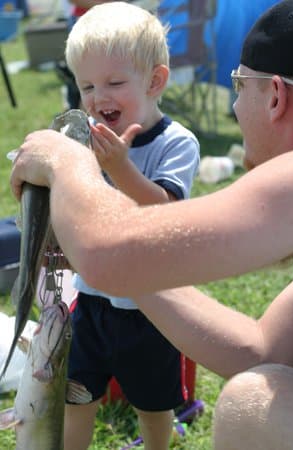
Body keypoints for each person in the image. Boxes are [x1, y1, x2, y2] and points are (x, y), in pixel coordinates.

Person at [10, 0, 293, 448]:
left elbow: (111, 252)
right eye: (86, 85)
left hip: (138, 327)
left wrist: (66, 165)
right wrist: (121, 261)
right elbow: (265, 350)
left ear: (276, 95)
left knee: (252, 407)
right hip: (98, 308)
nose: (237, 107)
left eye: (239, 85)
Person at [60, 3, 200, 450]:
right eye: (86, 86)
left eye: (114, 83)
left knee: (153, 403)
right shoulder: (87, 139)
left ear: (155, 81)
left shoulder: (177, 143)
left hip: (149, 307)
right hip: (92, 297)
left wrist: (119, 168)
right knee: (76, 395)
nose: (99, 97)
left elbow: (163, 210)